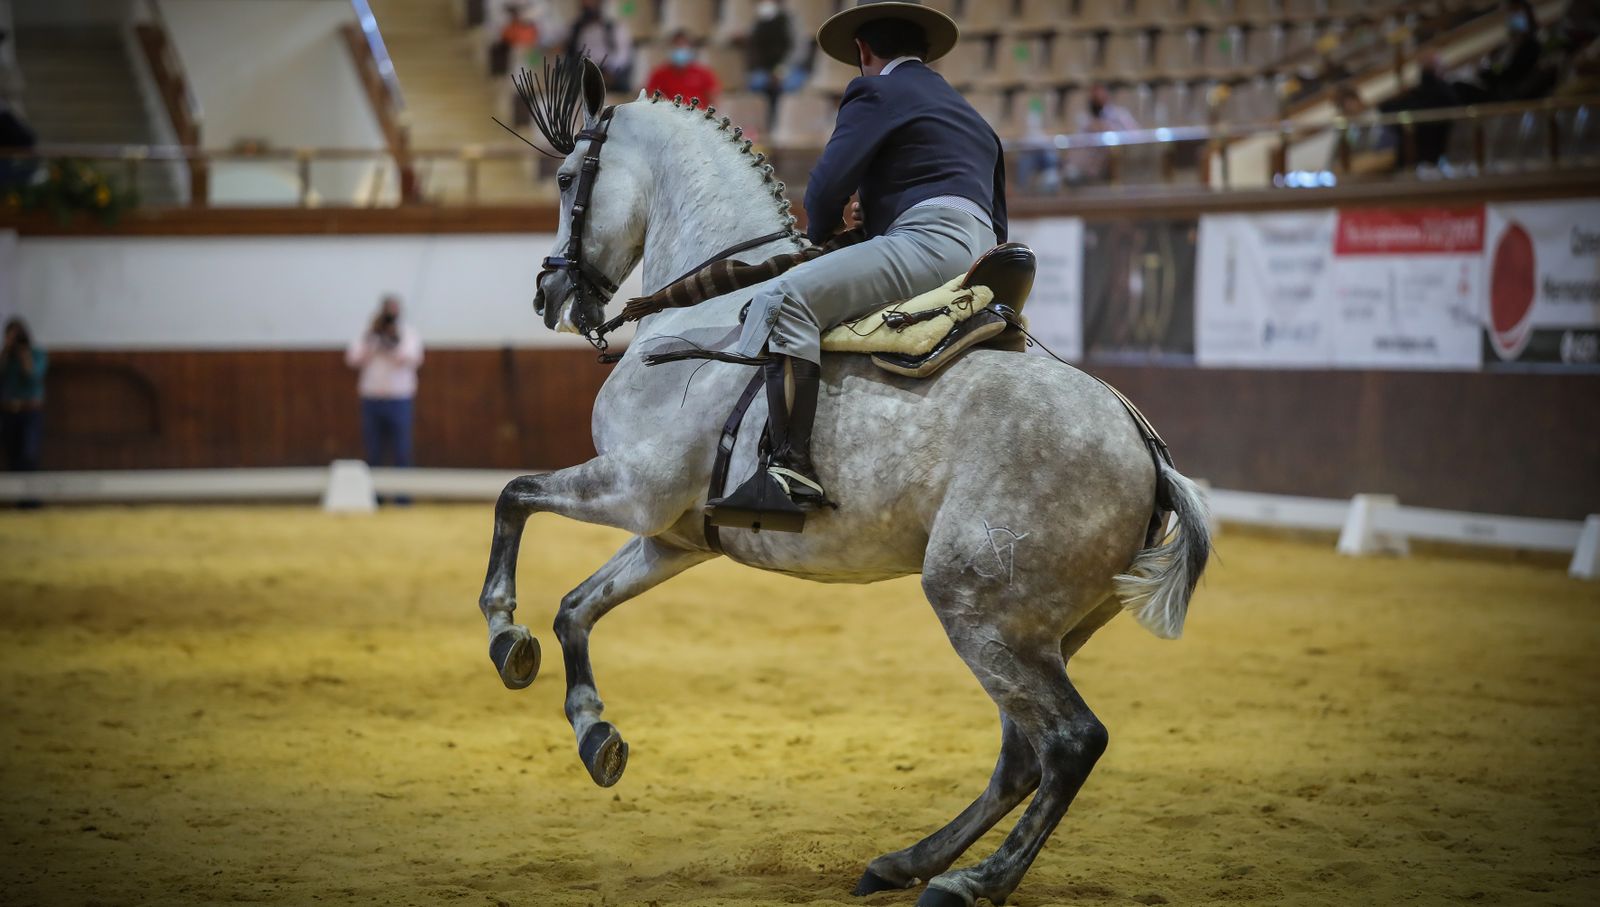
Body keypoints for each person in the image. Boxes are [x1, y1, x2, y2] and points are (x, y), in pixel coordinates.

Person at [712, 1, 1004, 509]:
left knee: (788, 301)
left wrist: (818, 239)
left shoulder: (875, 89)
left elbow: (826, 188)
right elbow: (968, 195)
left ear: (863, 51)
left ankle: (788, 469)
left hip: (930, 240)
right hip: (981, 251)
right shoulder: (970, 113)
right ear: (924, 52)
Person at [345, 296, 423, 491]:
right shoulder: (369, 333)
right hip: (371, 399)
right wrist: (373, 340)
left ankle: (402, 497)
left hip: (399, 399)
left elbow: (412, 358)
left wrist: (392, 342)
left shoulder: (407, 333)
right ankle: (374, 496)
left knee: (401, 450)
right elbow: (352, 358)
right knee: (373, 451)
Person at [1, 318, 47, 499]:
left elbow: (33, 375)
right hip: (8, 411)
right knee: (11, 456)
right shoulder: (6, 356)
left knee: (29, 454)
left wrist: (24, 353)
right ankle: (17, 501)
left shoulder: (36, 354)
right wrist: (6, 349)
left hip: (30, 411)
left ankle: (31, 502)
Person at [1064, 83, 1138, 186]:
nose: (1098, 99)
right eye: (1094, 97)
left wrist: (1108, 128)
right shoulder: (1084, 118)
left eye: (1100, 96)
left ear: (1107, 96)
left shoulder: (1119, 115)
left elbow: (1135, 135)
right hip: (1079, 167)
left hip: (1104, 167)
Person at [746, 0, 799, 128]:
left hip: (787, 67)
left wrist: (781, 69)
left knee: (789, 86)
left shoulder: (790, 20)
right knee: (756, 83)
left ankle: (782, 126)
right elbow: (753, 50)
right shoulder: (757, 22)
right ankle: (760, 127)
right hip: (763, 69)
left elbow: (798, 49)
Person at [562, 0, 633, 93]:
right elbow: (572, 55)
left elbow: (622, 57)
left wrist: (610, 73)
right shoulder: (576, 29)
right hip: (585, 76)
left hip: (611, 76)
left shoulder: (615, 28)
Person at [644, 30, 720, 105]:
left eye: (683, 47)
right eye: (676, 46)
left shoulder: (703, 73)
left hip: (696, 115)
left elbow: (714, 98)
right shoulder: (659, 74)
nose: (679, 50)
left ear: (691, 49)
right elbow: (651, 98)